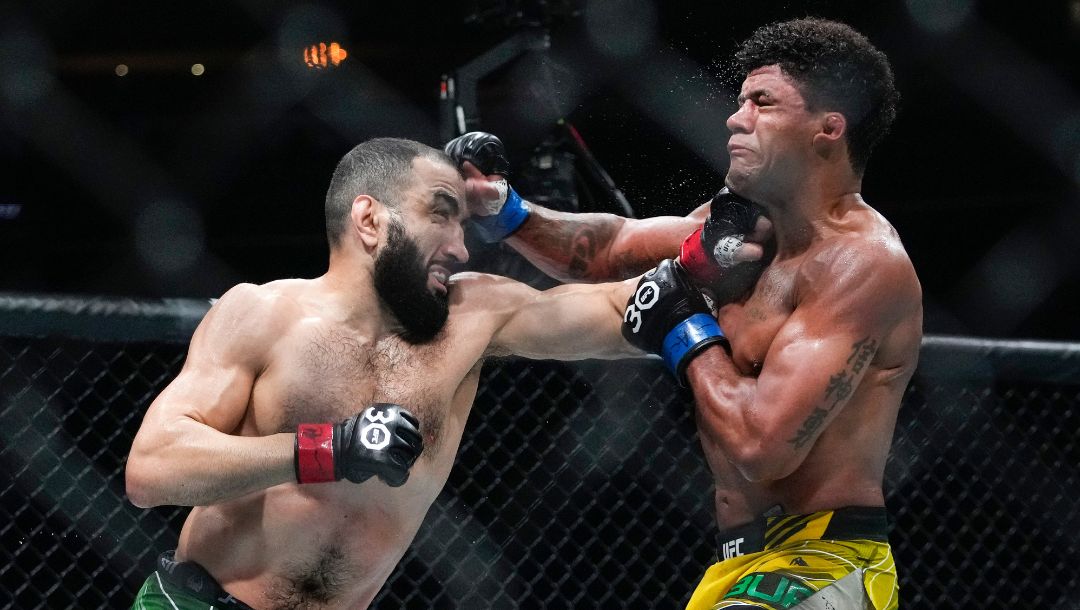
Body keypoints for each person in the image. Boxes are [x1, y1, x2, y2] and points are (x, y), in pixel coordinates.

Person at [447, 17, 917, 610]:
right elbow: (611, 247)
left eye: (762, 103)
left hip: (825, 558)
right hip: (736, 561)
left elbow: (764, 448)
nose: (734, 117)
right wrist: (505, 210)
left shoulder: (860, 264)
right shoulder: (744, 226)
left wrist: (684, 329)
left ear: (828, 127)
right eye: (740, 99)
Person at [124, 137, 641, 610]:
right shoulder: (262, 312)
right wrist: (332, 449)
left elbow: (626, 312)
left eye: (463, 223)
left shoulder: (476, 315)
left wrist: (717, 239)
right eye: (441, 215)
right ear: (369, 220)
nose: (460, 246)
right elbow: (152, 469)